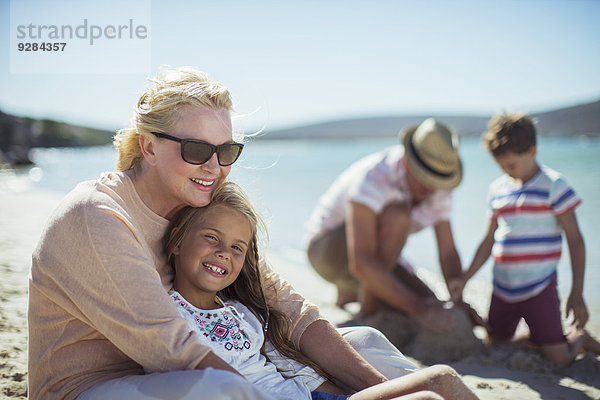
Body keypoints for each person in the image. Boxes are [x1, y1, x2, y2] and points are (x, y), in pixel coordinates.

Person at [27, 67, 457, 400]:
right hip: (97, 387)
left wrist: (382, 390)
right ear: (149, 146)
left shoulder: (196, 207)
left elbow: (289, 307)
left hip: (175, 374)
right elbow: (178, 352)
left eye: (227, 151)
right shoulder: (98, 217)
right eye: (197, 150)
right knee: (222, 389)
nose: (215, 168)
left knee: (366, 341)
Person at [162, 181, 479, 400]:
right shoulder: (164, 315)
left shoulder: (242, 312)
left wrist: (347, 394)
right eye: (211, 238)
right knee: (438, 382)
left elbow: (289, 366)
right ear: (176, 241)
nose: (224, 253)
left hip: (314, 395)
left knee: (436, 384)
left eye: (237, 247)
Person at [449, 112, 600, 366]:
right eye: (501, 166)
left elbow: (575, 240)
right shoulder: (498, 189)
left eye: (511, 165)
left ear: (531, 151)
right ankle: (543, 336)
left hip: (539, 286)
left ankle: (580, 338)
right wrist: (465, 278)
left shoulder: (554, 185)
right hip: (503, 287)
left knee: (559, 359)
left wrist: (577, 292)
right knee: (495, 344)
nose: (507, 171)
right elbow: (489, 240)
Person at [306, 118, 473, 332]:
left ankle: (350, 292)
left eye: (436, 182)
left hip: (375, 256)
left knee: (431, 301)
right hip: (327, 252)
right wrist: (418, 309)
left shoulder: (439, 185)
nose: (431, 189)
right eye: (425, 179)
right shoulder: (375, 176)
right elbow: (361, 261)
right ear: (408, 163)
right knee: (398, 217)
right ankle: (366, 313)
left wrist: (457, 300)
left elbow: (448, 252)